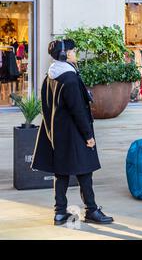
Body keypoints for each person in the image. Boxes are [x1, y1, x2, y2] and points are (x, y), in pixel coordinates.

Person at [32, 39, 113, 225]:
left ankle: (60, 213)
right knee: (85, 170)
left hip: (58, 132)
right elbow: (78, 109)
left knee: (61, 172)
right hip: (74, 132)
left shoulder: (50, 75)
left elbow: (45, 106)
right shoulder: (69, 77)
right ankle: (91, 210)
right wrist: (88, 136)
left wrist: (51, 130)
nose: (75, 53)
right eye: (73, 50)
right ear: (66, 54)